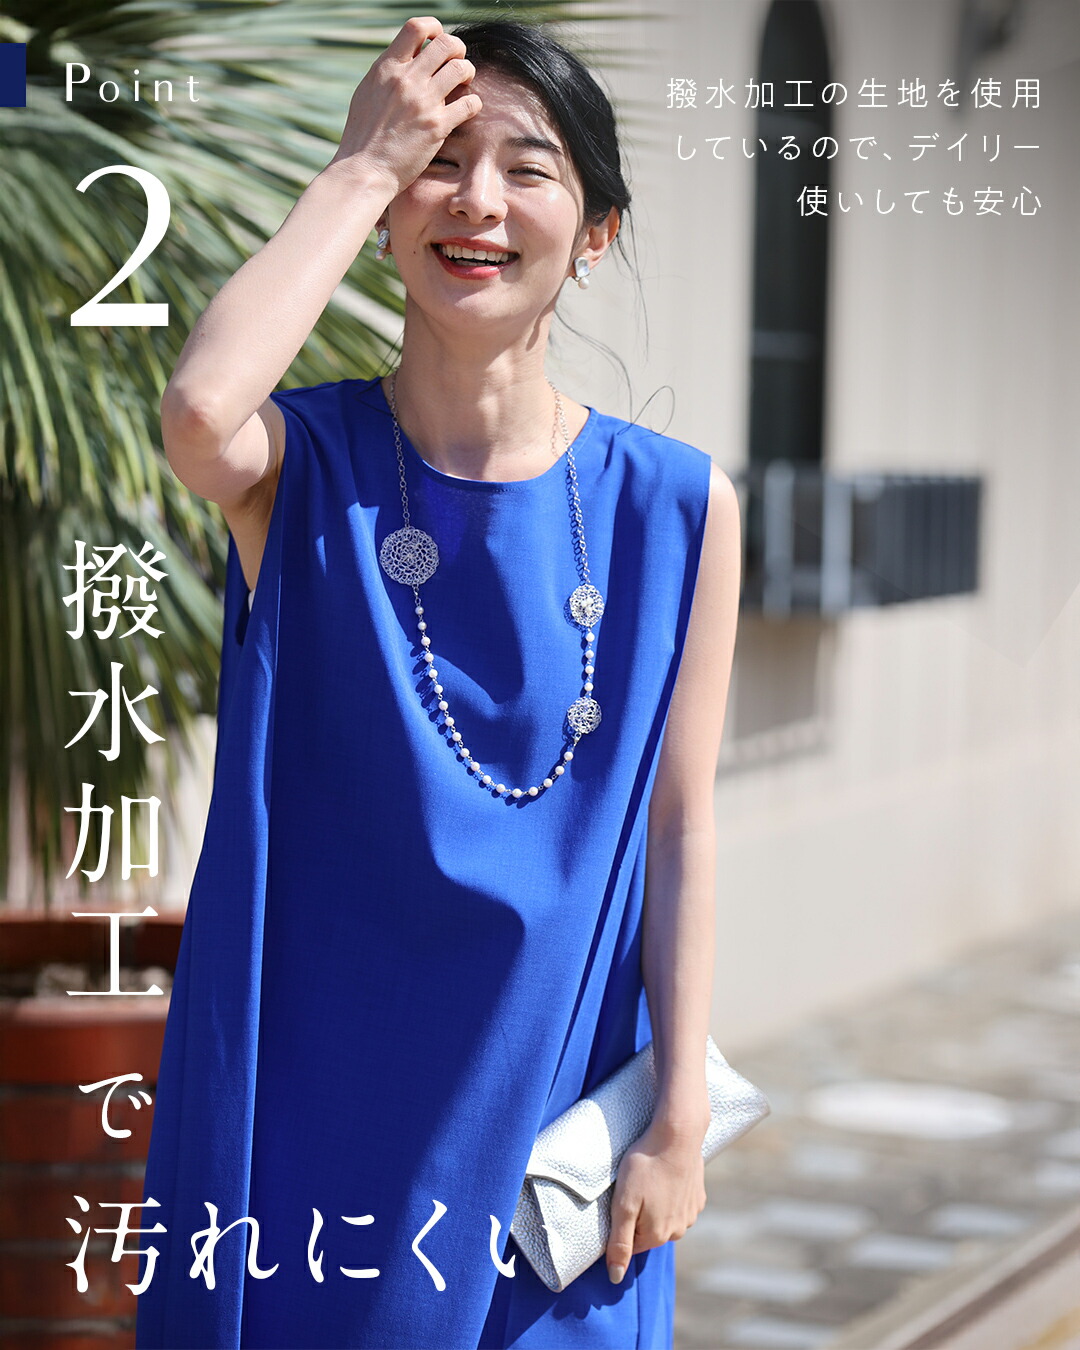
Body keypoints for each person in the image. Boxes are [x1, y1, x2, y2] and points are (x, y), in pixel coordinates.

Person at [136, 14, 741, 1350]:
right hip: (319, 1126)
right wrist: (363, 163)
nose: (477, 201)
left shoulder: (678, 505)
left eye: (527, 168)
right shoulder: (304, 469)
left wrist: (680, 1112)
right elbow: (198, 412)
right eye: (441, 163)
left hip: (554, 1133)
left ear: (596, 232)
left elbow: (681, 824)